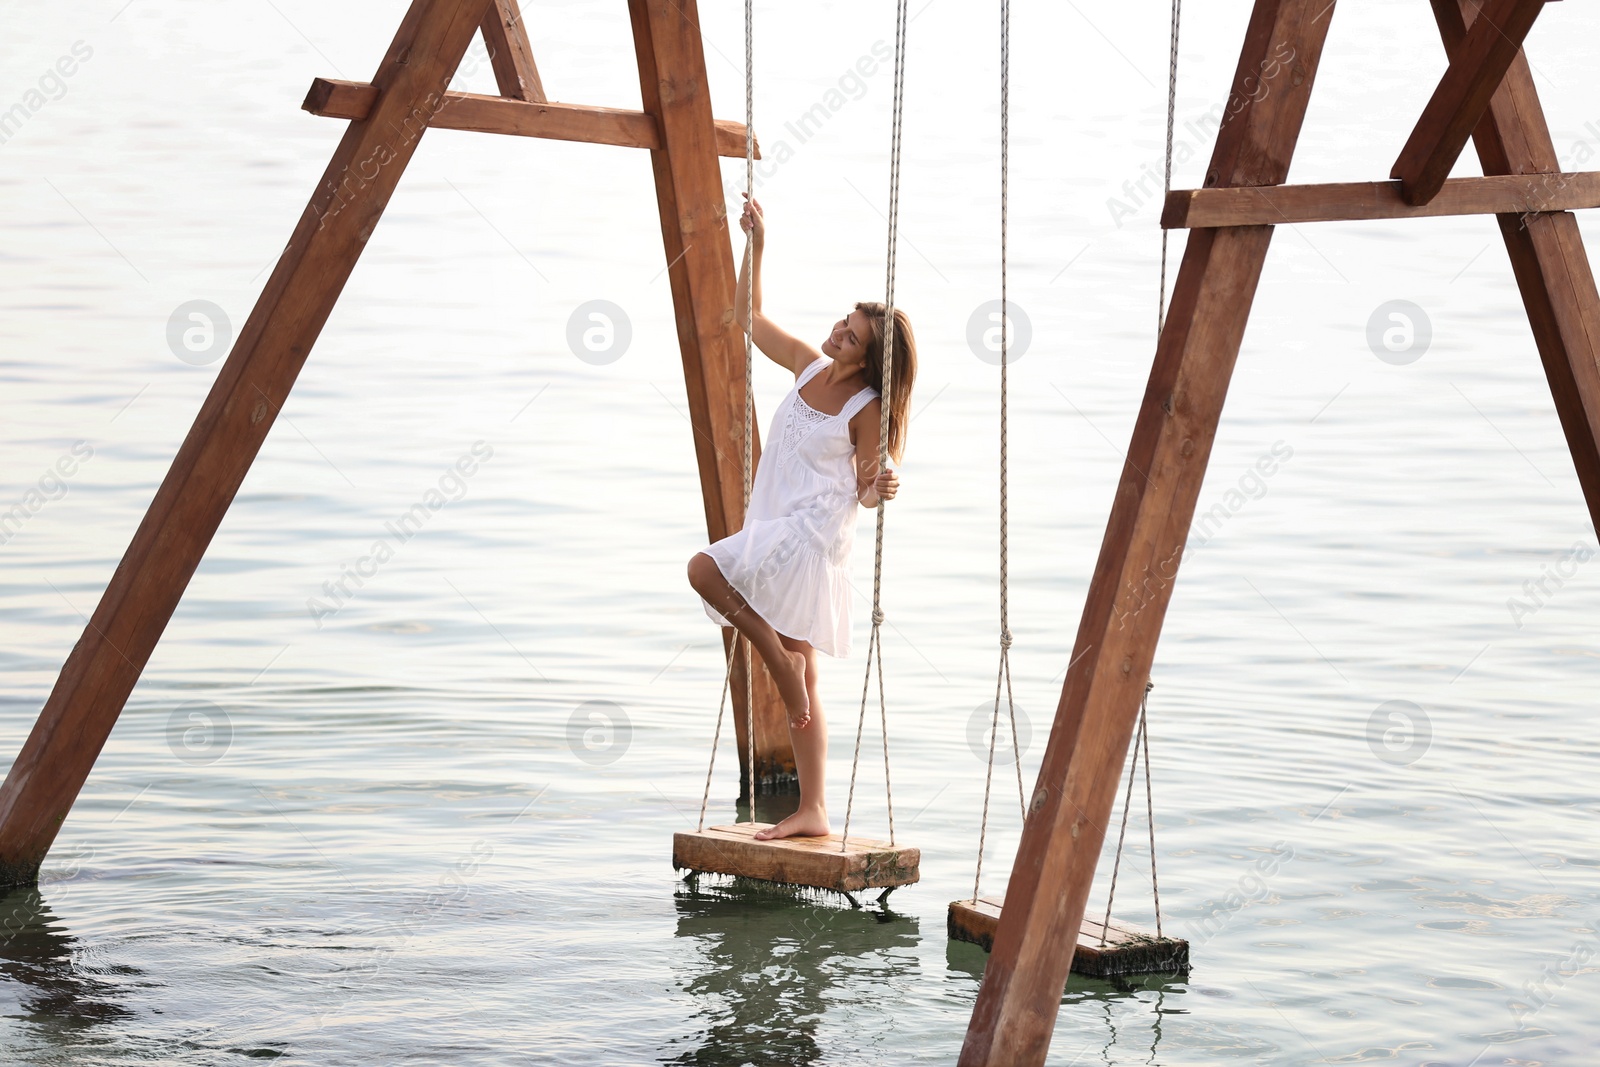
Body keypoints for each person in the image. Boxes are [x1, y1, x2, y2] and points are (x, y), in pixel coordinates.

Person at [687, 192, 918, 842]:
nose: (838, 332)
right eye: (844, 322)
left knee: (705, 568)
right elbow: (746, 316)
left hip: (811, 535)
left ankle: (776, 665)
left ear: (869, 359)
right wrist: (756, 246)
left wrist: (880, 485)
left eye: (851, 334)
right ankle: (813, 807)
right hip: (776, 519)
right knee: (805, 670)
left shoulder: (866, 404)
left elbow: (869, 484)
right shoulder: (809, 365)